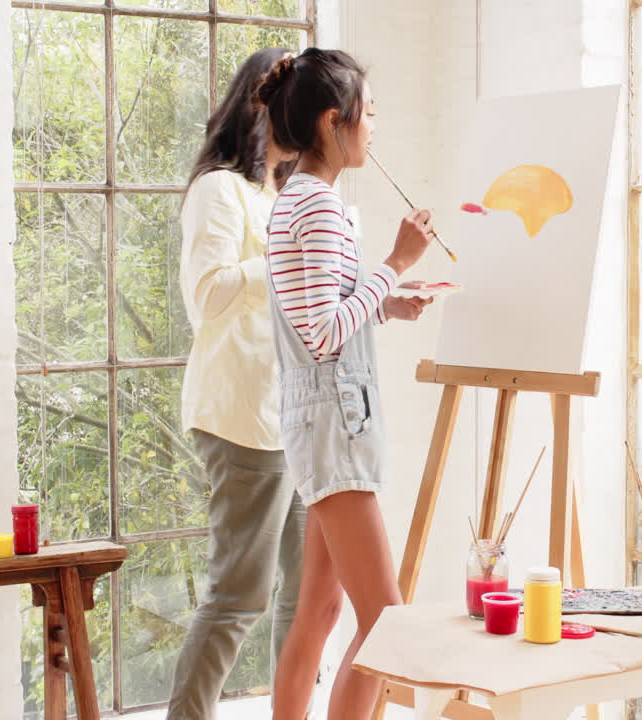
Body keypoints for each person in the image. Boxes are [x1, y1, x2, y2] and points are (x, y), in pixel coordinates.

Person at [255, 48, 435, 719]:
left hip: (320, 421)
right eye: (369, 114)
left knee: (321, 611)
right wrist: (394, 263)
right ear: (334, 121)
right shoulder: (321, 207)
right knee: (386, 622)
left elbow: (321, 312)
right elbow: (325, 333)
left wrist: (387, 302)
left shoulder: (298, 199)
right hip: (336, 425)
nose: (374, 127)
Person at [167, 47, 310, 720]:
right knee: (238, 597)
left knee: (307, 596)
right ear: (267, 106)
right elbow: (208, 294)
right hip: (241, 415)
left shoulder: (278, 194)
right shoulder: (218, 189)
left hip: (294, 417)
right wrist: (282, 259)